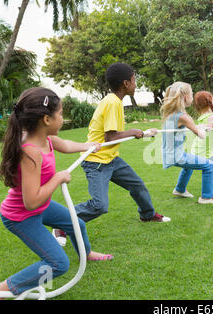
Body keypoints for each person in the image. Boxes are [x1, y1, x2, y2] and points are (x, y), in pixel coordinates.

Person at [0, 87, 113, 299]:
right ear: (46, 119)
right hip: (21, 216)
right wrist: (57, 178)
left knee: (76, 224)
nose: (63, 117)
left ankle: (86, 254)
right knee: (58, 264)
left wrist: (89, 146)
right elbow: (31, 201)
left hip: (41, 206)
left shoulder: (46, 139)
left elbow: (68, 144)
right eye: (60, 113)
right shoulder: (31, 151)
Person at [53, 63, 169, 246]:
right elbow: (110, 136)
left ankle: (147, 215)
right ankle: (62, 223)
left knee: (137, 185)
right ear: (125, 83)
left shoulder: (113, 100)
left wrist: (143, 133)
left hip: (111, 159)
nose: (136, 84)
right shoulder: (113, 102)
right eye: (134, 80)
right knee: (99, 206)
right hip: (96, 162)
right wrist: (133, 131)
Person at [161, 82, 213, 204]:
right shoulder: (184, 116)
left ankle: (180, 189)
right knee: (208, 165)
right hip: (176, 156)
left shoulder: (172, 113)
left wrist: (200, 127)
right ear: (186, 97)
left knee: (190, 165)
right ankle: (207, 197)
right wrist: (203, 129)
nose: (193, 98)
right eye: (192, 94)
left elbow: (188, 127)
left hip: (169, 154)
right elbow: (201, 135)